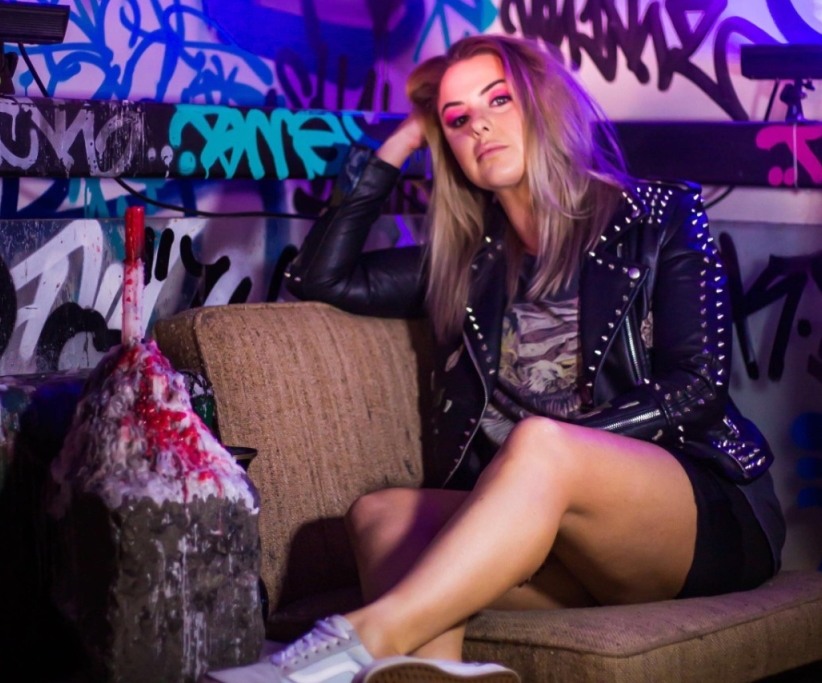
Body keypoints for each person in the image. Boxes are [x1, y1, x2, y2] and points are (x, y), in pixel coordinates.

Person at [204, 34, 785, 683]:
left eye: (498, 100)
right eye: (457, 119)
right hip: (559, 541)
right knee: (378, 516)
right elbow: (319, 278)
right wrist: (403, 139)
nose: (478, 125)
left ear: (542, 104)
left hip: (694, 516)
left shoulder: (657, 216)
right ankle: (436, 667)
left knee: (542, 442)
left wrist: (554, 456)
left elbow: (696, 389)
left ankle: (358, 642)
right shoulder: (465, 262)